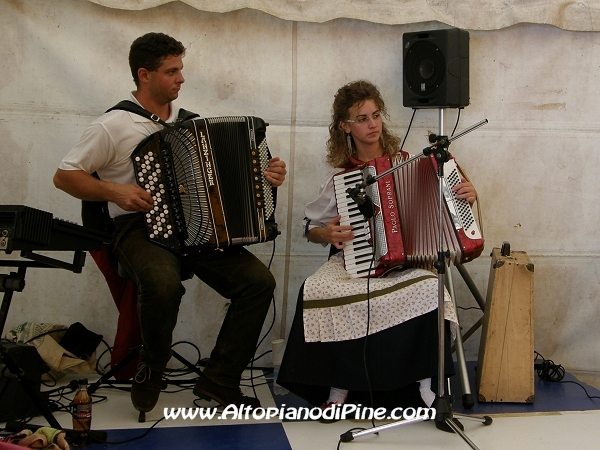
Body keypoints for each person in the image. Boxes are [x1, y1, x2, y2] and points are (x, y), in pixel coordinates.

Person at [53, 32, 287, 413]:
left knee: (258, 283)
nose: (181, 78)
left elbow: (234, 178)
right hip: (138, 227)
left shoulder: (189, 124)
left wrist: (268, 173)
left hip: (195, 230)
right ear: (144, 74)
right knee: (162, 284)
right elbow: (65, 176)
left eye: (181, 69)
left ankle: (220, 379)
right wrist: (116, 191)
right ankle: (152, 367)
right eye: (171, 71)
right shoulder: (112, 125)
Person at [277, 80, 477, 412]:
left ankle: (428, 383)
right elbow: (309, 226)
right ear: (345, 126)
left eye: (375, 115)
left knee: (431, 287)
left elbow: (448, 208)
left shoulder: (410, 163)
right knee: (315, 288)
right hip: (353, 262)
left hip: (409, 263)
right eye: (362, 118)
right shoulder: (341, 178)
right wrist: (324, 234)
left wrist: (467, 195)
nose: (372, 124)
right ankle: (339, 383)